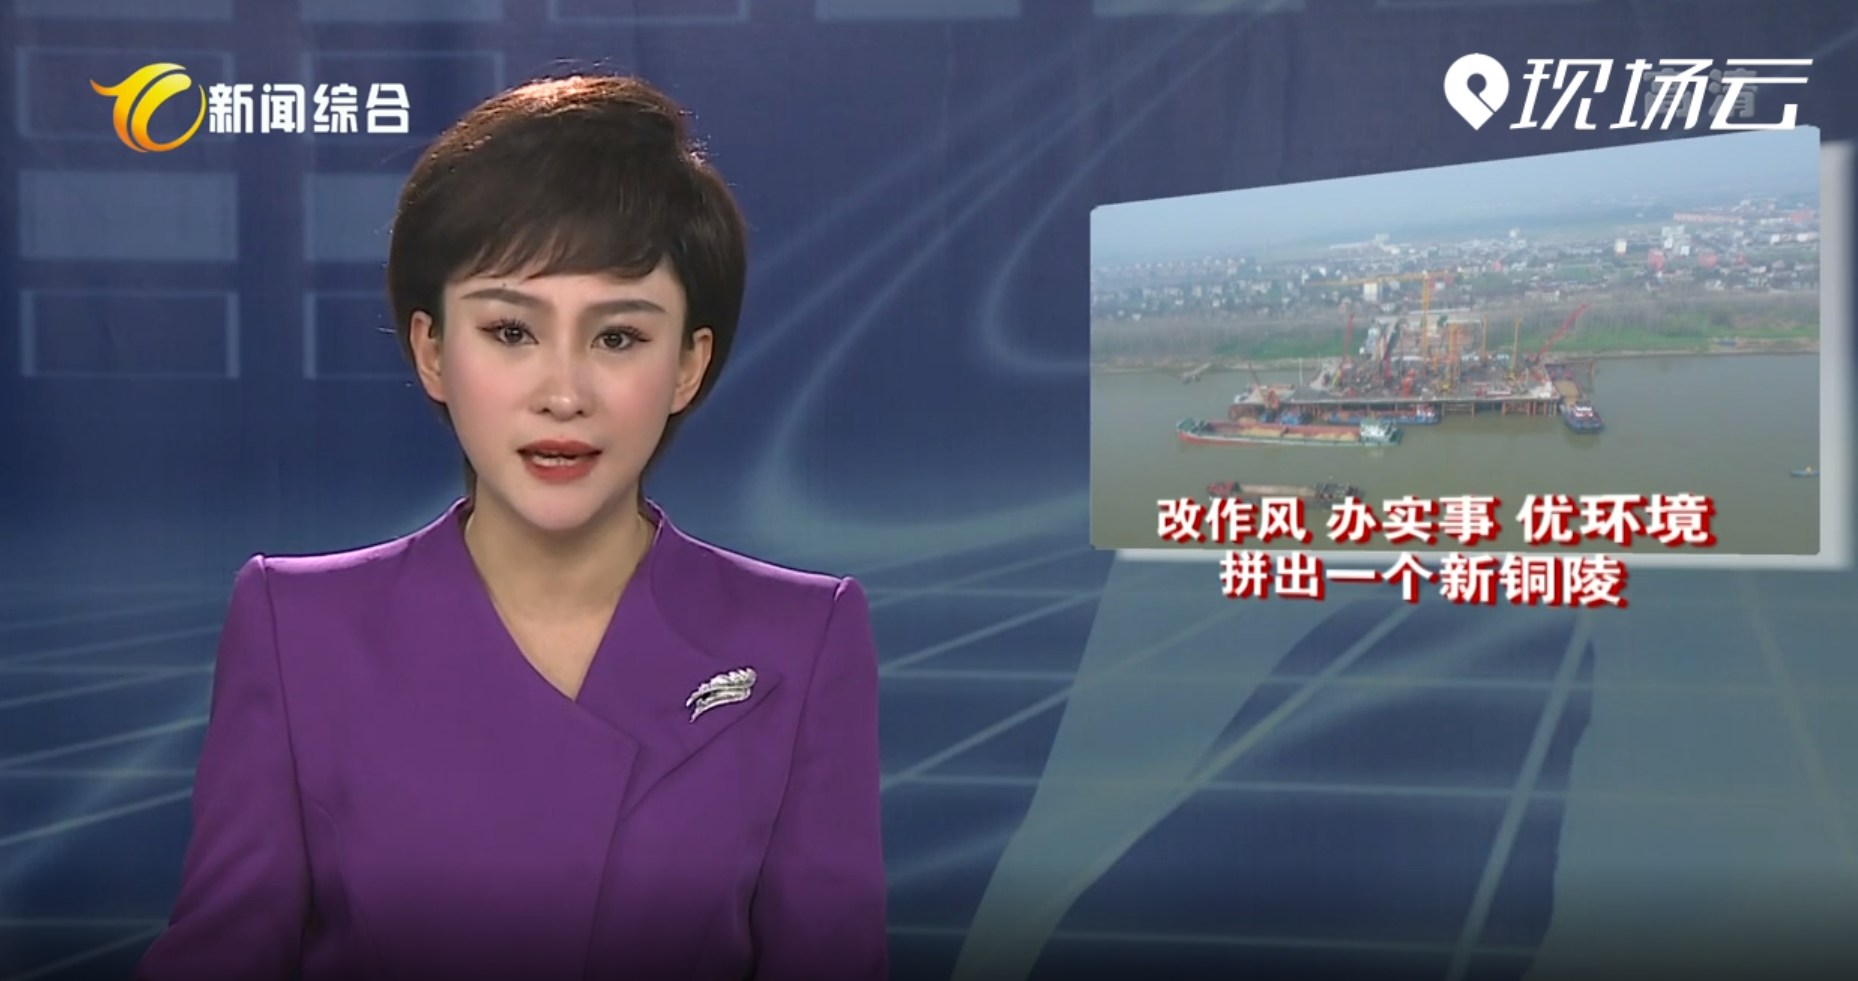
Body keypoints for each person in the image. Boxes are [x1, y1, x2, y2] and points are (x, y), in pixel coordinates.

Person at [134, 74, 888, 981]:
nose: (563, 394)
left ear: (689, 365)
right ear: (432, 350)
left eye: (618, 337)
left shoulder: (800, 639)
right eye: (510, 331)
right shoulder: (296, 629)